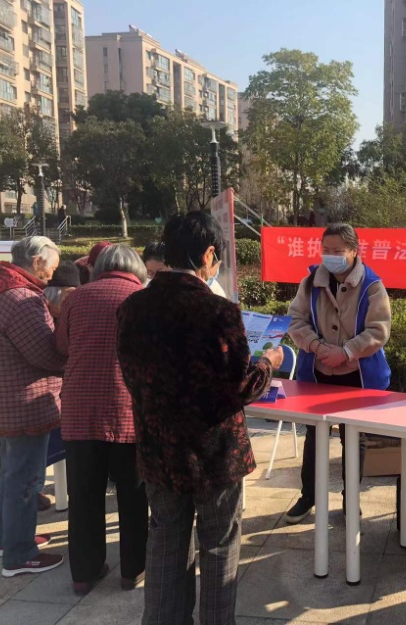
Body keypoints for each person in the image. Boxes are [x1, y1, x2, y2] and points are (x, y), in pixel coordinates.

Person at [117, 211, 283, 624]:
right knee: (219, 545)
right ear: (209, 254)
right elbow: (241, 386)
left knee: (165, 542)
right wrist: (269, 362)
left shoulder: (132, 308)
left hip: (158, 451)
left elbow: (131, 377)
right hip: (214, 455)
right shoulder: (218, 312)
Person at [56, 244, 150, 596]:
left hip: (79, 411)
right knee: (133, 495)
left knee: (84, 496)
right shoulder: (143, 300)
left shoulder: (76, 298)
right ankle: (133, 570)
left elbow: (61, 345)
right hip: (128, 411)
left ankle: (84, 572)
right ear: (137, 269)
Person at [284, 223, 392, 524]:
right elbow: (295, 320)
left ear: (354, 251)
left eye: (338, 251)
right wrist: (317, 346)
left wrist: (345, 352)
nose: (330, 256)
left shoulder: (372, 285)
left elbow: (379, 330)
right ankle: (309, 495)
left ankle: (350, 499)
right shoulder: (310, 282)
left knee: (353, 438)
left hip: (357, 374)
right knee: (314, 435)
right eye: (326, 250)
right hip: (318, 371)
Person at [0, 236, 66, 577]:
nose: (52, 276)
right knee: (25, 481)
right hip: (22, 403)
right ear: (38, 261)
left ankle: (7, 539)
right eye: (52, 268)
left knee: (8, 476)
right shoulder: (21, 298)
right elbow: (46, 354)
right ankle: (19, 554)